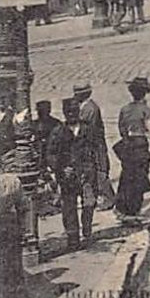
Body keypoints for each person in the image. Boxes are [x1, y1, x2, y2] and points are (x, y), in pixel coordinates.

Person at [114, 77, 150, 223]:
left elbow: (121, 128)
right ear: (145, 93)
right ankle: (133, 211)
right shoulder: (145, 110)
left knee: (126, 177)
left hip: (127, 146)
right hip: (140, 146)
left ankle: (122, 209)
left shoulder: (124, 109)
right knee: (139, 178)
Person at [46, 100, 101, 250]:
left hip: (87, 173)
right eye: (68, 112)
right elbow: (51, 154)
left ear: (78, 112)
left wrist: (100, 169)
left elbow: (98, 147)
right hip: (68, 176)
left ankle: (87, 231)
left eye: (74, 111)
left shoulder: (88, 129)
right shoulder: (58, 131)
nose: (71, 114)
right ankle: (73, 238)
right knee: (69, 207)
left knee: (89, 203)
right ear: (64, 113)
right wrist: (61, 168)